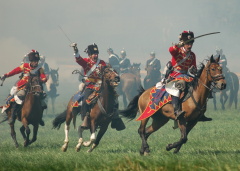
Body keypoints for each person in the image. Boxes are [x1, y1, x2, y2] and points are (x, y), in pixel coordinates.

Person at [71, 43, 125, 131]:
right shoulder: (86, 62)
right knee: (85, 101)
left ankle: (115, 118)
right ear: (89, 55)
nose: (95, 55)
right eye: (93, 54)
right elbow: (78, 59)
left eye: (96, 54)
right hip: (90, 85)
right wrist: (75, 51)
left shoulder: (102, 62)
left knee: (115, 99)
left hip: (100, 86)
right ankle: (85, 119)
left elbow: (108, 70)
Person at [163, 30, 211, 121]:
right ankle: (177, 111)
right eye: (188, 43)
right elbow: (171, 50)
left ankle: (201, 112)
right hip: (176, 74)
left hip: (187, 75)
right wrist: (178, 45)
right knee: (179, 85)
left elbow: (193, 67)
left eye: (191, 43)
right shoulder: (177, 51)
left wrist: (193, 70)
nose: (190, 46)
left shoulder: (192, 55)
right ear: (183, 43)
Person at [0, 50, 47, 125]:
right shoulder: (25, 66)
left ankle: (39, 118)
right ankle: (12, 116)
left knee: (42, 100)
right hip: (24, 85)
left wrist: (44, 79)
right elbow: (15, 71)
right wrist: (6, 75)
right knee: (18, 96)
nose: (36, 62)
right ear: (31, 61)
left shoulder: (40, 69)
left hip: (35, 86)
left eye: (37, 61)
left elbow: (43, 76)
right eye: (34, 61)